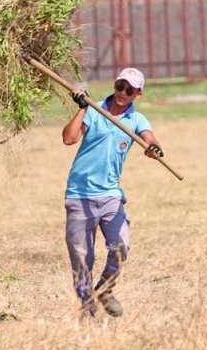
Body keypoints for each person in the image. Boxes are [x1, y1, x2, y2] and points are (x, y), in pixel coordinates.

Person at [61, 67, 163, 319]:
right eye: (120, 86)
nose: (123, 93)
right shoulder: (93, 110)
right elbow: (69, 139)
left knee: (120, 245)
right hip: (79, 194)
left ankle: (105, 289)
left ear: (137, 94)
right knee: (81, 255)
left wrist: (154, 148)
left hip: (110, 195)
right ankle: (86, 305)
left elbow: (151, 140)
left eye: (130, 90)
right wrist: (82, 106)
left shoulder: (137, 120)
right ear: (115, 84)